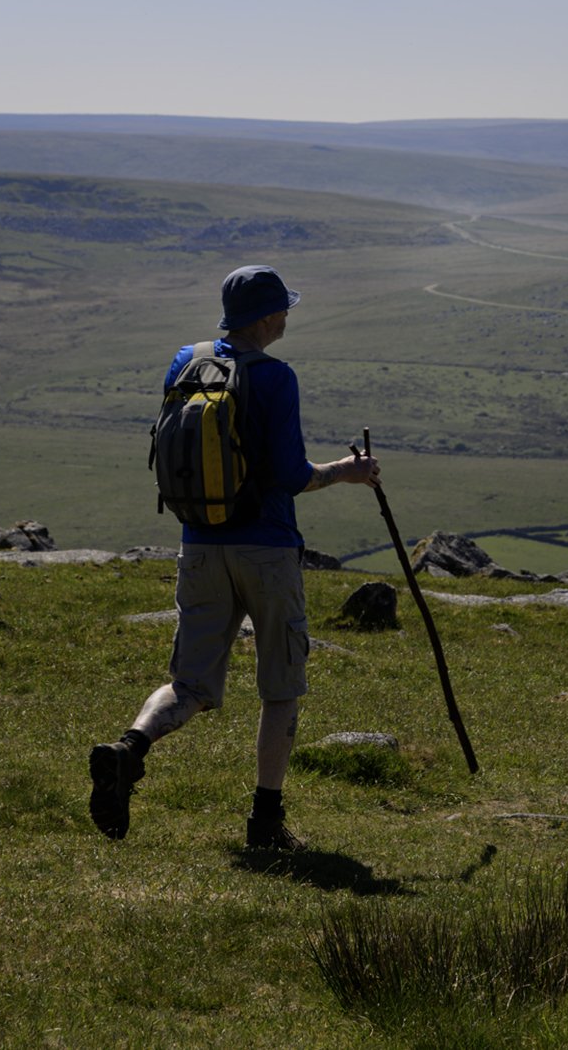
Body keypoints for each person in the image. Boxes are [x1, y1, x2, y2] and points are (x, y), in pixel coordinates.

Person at [89, 263, 378, 851]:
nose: (288, 317)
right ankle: (266, 825)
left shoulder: (186, 361)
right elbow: (293, 476)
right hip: (266, 549)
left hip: (198, 543)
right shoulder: (276, 377)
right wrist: (346, 472)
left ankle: (129, 749)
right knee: (280, 687)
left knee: (190, 682)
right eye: (284, 308)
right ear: (268, 317)